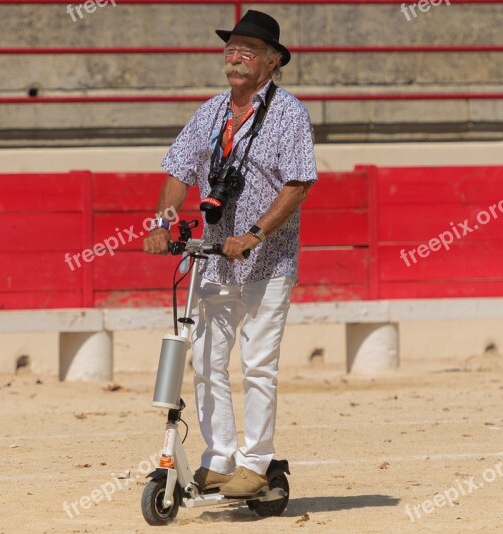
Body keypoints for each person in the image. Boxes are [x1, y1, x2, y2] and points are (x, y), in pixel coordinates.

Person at [143, 10, 317, 498]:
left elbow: (298, 183)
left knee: (258, 364)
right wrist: (163, 221)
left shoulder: (289, 113)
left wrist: (255, 233)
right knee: (207, 360)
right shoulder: (212, 111)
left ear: (272, 62)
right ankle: (218, 457)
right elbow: (180, 168)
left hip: (266, 259)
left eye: (248, 50)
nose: (235, 57)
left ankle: (257, 461)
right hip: (215, 256)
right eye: (231, 48)